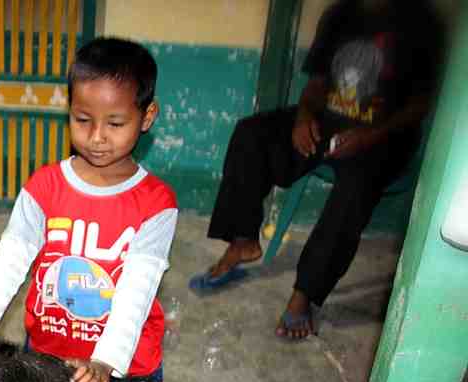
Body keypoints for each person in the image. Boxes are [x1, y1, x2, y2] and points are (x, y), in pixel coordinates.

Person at [0, 38, 177, 382]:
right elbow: (9, 262)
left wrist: (106, 360)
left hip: (127, 368)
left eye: (115, 123)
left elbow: (137, 289)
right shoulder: (44, 186)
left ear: (147, 117)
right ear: (69, 109)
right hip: (47, 357)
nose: (96, 137)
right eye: (82, 119)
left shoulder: (156, 203)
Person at [189, 0, 444, 339]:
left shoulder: (422, 24)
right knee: (252, 134)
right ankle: (244, 241)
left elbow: (418, 107)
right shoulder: (341, 14)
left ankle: (305, 293)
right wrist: (304, 117)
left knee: (356, 186)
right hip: (328, 121)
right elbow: (316, 86)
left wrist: (370, 136)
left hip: (385, 136)